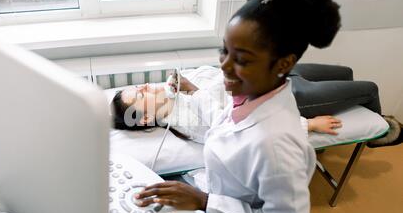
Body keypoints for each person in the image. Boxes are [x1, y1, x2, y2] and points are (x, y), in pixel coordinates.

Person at [133, 0, 341, 213]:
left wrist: (205, 202)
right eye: (224, 51)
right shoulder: (252, 95)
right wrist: (193, 91)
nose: (225, 66)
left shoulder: (274, 145)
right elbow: (221, 116)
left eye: (241, 59)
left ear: (283, 64)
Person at [111, 66, 345, 144]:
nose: (144, 87)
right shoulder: (187, 123)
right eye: (139, 96)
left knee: (345, 73)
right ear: (143, 119)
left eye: (139, 86)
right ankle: (379, 136)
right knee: (369, 90)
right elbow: (248, 127)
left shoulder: (171, 95)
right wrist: (309, 125)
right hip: (287, 96)